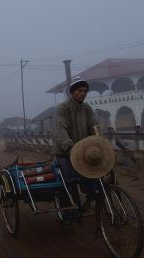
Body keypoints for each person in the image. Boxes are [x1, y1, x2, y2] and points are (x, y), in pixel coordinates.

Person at [54, 76, 103, 222]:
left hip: (83, 151)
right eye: (79, 90)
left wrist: (99, 141)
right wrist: (70, 147)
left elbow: (94, 126)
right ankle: (67, 210)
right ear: (72, 92)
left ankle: (90, 197)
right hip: (64, 151)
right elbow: (60, 130)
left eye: (85, 91)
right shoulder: (62, 109)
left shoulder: (87, 109)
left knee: (94, 175)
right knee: (68, 180)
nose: (82, 93)